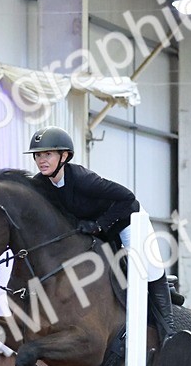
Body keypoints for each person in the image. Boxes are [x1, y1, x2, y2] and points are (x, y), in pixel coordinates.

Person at [26, 126, 176, 341]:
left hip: (127, 219)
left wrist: (99, 224)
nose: (41, 160)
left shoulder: (82, 178)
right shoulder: (41, 183)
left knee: (146, 268)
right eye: (38, 155)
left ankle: (168, 330)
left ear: (64, 156)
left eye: (48, 154)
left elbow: (127, 198)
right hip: (95, 228)